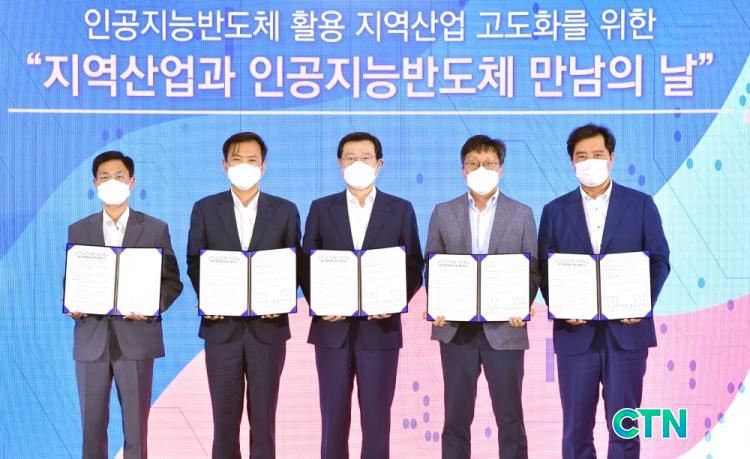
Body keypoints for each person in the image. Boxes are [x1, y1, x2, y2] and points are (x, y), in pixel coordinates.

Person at [538, 123, 670, 458]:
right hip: (575, 335)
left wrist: (641, 303)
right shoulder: (554, 211)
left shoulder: (641, 204)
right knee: (575, 431)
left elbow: (659, 260)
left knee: (625, 427)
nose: (590, 162)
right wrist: (562, 306)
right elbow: (544, 268)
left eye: (597, 154)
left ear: (611, 158)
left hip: (627, 334)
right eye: (582, 156)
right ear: (572, 161)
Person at [301, 132, 424, 459]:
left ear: (379, 164)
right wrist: (320, 303)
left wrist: (395, 300)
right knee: (332, 420)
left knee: (377, 422)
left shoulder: (400, 209)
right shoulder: (321, 208)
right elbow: (306, 263)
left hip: (380, 329)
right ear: (340, 164)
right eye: (350, 158)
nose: (358, 163)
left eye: (366, 157)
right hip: (332, 329)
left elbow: (414, 264)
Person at [186, 132, 301, 459]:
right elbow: (195, 260)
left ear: (263, 166)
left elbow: (295, 262)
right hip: (221, 327)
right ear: (224, 165)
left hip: (268, 328)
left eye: (252, 160)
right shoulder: (205, 209)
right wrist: (208, 296)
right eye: (237, 159)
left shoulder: (285, 210)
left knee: (264, 420)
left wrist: (281, 297)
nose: (245, 166)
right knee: (224, 421)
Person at [424, 135, 539, 459]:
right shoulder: (443, 212)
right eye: (473, 163)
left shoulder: (522, 213)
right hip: (456, 329)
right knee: (455, 418)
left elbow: (532, 269)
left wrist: (522, 304)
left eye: (489, 163)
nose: (481, 169)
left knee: (510, 418)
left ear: (501, 170)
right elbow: (433, 265)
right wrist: (437, 305)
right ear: (463, 170)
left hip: (505, 328)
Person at [67, 150, 183, 459]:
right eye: (104, 177)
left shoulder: (155, 228)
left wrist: (151, 305)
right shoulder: (79, 229)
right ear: (95, 183)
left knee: (136, 431)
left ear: (131, 182)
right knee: (91, 430)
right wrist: (71, 301)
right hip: (91, 339)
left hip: (137, 338)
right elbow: (72, 279)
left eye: (119, 177)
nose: (112, 182)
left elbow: (172, 282)